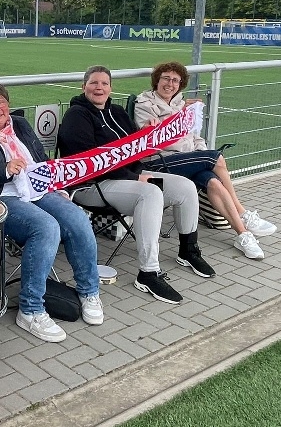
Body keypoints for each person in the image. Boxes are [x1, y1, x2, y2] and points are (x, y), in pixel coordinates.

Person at [0, 81, 102, 343]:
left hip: (36, 189)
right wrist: (3, 170)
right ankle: (30, 310)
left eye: (0, 102)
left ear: (8, 104)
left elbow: (40, 160)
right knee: (46, 227)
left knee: (76, 217)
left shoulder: (20, 124)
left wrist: (56, 186)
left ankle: (89, 291)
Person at [58, 66, 209, 305]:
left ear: (111, 88)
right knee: (150, 193)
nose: (99, 88)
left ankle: (188, 250)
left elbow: (134, 149)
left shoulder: (117, 112)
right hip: (92, 186)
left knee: (184, 186)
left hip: (129, 179)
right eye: (94, 83)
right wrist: (135, 177)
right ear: (83, 86)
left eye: (104, 83)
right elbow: (89, 163)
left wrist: (147, 135)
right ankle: (148, 272)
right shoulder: (76, 116)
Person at [133, 61, 276, 260]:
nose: (170, 84)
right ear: (157, 80)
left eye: (175, 80)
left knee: (213, 181)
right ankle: (242, 212)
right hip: (160, 162)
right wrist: (162, 123)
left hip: (187, 161)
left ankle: (243, 235)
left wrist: (201, 155)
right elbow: (150, 138)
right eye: (166, 78)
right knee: (216, 158)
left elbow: (196, 137)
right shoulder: (144, 104)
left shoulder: (183, 105)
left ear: (180, 85)